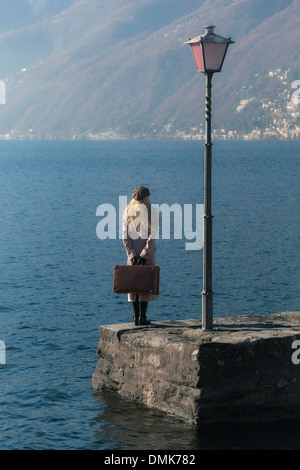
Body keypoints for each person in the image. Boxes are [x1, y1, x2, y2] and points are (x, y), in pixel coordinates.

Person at [122, 186, 158, 326]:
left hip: (132, 255)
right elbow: (151, 237)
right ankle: (142, 317)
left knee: (133, 283)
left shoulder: (127, 213)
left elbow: (125, 237)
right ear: (146, 198)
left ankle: (135, 317)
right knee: (144, 284)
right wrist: (144, 255)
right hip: (146, 255)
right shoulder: (151, 212)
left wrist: (132, 254)